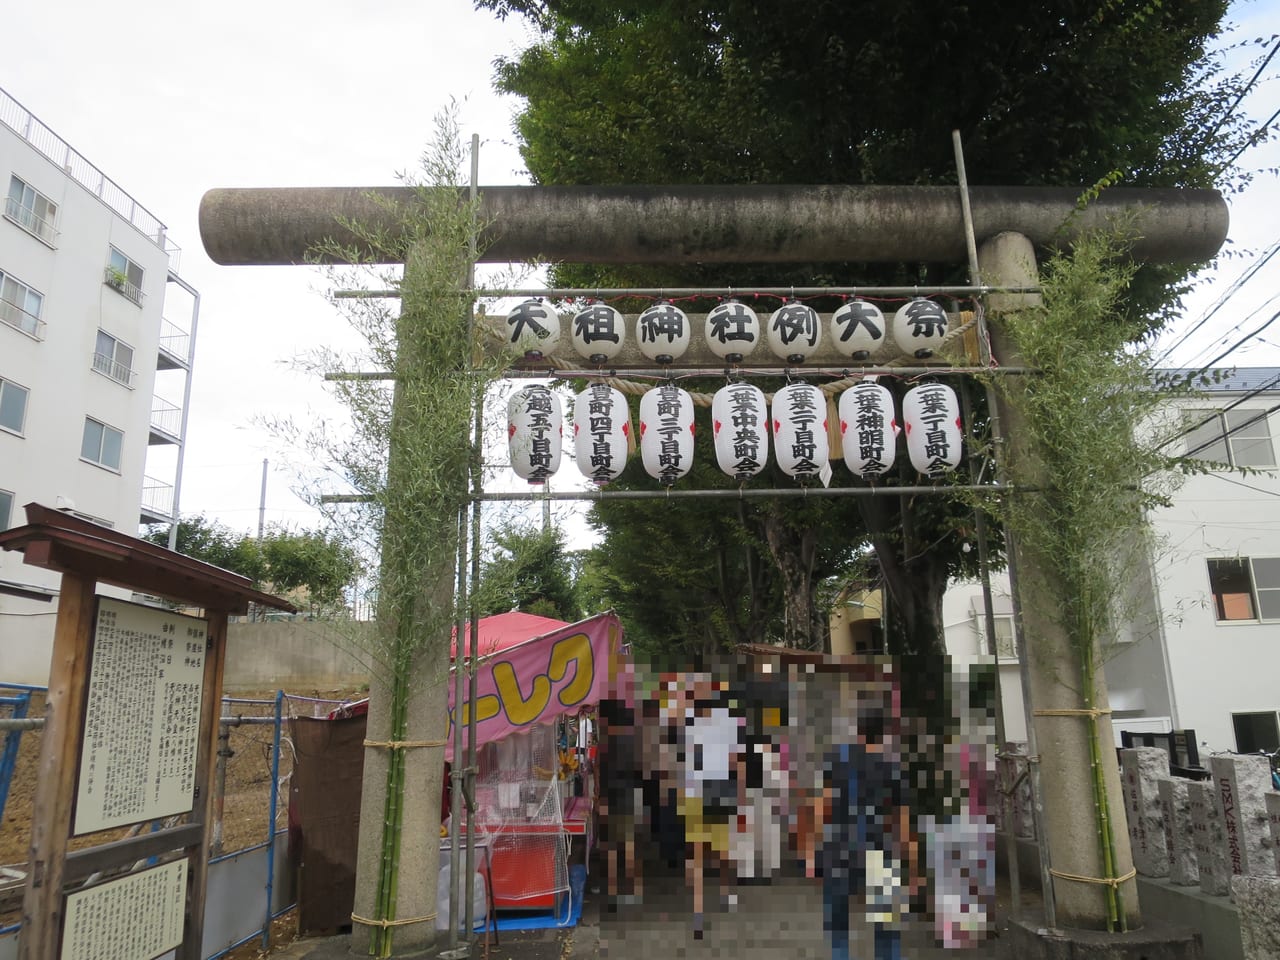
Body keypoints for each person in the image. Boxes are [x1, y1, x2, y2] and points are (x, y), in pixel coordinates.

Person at [816, 693, 920, 960]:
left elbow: (822, 807)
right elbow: (902, 823)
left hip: (839, 849)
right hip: (880, 850)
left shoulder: (836, 759)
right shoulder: (892, 768)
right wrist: (914, 868)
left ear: (858, 728)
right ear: (883, 732)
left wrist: (812, 850)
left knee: (838, 924)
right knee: (887, 927)